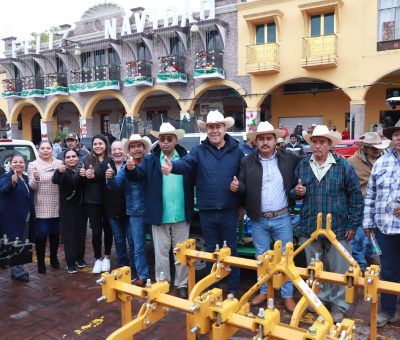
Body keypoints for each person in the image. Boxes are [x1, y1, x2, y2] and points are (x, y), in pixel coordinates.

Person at [162, 111, 244, 296]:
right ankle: (212, 286)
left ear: (225, 128)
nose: (214, 130)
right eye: (211, 127)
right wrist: (173, 167)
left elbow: (244, 177)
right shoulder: (199, 151)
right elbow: (186, 163)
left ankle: (232, 288)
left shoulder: (237, 151)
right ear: (206, 130)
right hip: (207, 210)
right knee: (209, 251)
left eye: (218, 126)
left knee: (231, 250)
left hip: (229, 210)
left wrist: (240, 195)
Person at [293, 125, 363, 323]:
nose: (317, 146)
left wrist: (352, 225)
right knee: (315, 268)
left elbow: (356, 197)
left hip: (339, 228)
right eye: (314, 142)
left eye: (322, 142)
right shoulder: (303, 165)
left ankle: (339, 305)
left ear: (330, 145)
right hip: (310, 226)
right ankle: (319, 300)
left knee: (339, 269)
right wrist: (296, 192)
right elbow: (292, 191)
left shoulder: (343, 166)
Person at [232, 121, 299, 311]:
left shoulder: (290, 159)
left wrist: (298, 190)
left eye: (269, 138)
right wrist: (238, 188)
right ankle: (263, 290)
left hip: (282, 216)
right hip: (258, 218)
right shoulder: (247, 161)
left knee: (285, 258)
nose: (265, 142)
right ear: (256, 142)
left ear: (276, 140)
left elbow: (295, 185)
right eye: (261, 139)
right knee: (261, 257)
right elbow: (243, 187)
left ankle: (287, 295)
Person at [127, 125, 194, 297]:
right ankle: (163, 283)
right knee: (161, 253)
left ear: (175, 140)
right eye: (162, 139)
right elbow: (138, 175)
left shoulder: (186, 157)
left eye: (169, 139)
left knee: (181, 252)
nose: (165, 142)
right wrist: (131, 169)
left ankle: (182, 284)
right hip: (159, 214)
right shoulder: (151, 159)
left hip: (181, 213)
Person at [363, 119, 400, 327]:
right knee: (387, 270)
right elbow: (371, 194)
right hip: (384, 227)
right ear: (392, 139)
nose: (399, 138)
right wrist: (368, 223)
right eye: (396, 135)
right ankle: (387, 311)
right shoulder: (382, 162)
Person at [347, 132, 390, 272]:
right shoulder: (352, 162)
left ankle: (373, 269)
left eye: (378, 146)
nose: (376, 149)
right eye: (372, 147)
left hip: (382, 207)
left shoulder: (387, 159)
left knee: (377, 242)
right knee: (358, 242)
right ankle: (361, 272)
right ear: (365, 148)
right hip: (361, 207)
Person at [78, 134, 113, 274]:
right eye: (95, 144)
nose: (98, 146)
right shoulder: (86, 160)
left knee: (109, 230)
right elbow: (80, 180)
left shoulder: (110, 159)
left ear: (105, 145)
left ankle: (107, 256)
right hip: (92, 201)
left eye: (100, 143)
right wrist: (84, 175)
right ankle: (98, 258)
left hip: (109, 199)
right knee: (96, 231)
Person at [28, 141, 63, 273]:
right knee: (42, 234)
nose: (45, 150)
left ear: (52, 149)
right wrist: (36, 179)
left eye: (48, 148)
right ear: (39, 150)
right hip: (41, 204)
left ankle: (54, 258)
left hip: (57, 203)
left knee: (55, 234)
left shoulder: (59, 163)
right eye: (42, 148)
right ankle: (41, 262)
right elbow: (32, 187)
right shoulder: (33, 165)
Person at [0, 154, 36, 282]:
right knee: (16, 243)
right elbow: (4, 190)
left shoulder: (25, 178)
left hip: (25, 217)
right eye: (15, 162)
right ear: (10, 164)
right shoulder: (6, 177)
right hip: (12, 218)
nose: (18, 164)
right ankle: (17, 271)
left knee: (21, 243)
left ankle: (17, 267)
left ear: (24, 164)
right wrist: (13, 183)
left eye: (21, 162)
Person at [52, 149, 87, 274]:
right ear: (65, 160)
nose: (71, 159)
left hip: (82, 208)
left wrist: (85, 175)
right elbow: (55, 179)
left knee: (81, 235)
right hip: (67, 209)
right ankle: (70, 262)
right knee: (69, 236)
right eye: (68, 157)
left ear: (78, 158)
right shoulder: (63, 171)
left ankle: (80, 258)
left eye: (73, 156)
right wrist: (58, 171)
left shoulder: (81, 169)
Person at [104, 141, 129, 271]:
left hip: (129, 210)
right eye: (114, 150)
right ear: (110, 152)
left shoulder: (130, 164)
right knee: (119, 240)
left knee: (132, 240)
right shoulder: (107, 165)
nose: (117, 152)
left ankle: (134, 267)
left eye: (120, 149)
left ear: (125, 150)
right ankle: (123, 265)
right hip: (112, 210)